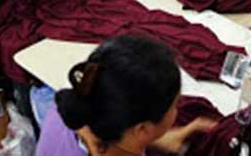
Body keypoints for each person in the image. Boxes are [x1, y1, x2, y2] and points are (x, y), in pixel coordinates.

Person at [35, 35, 217, 156]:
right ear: (142, 129)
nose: (177, 109)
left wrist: (155, 140)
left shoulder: (68, 110)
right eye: (175, 104)